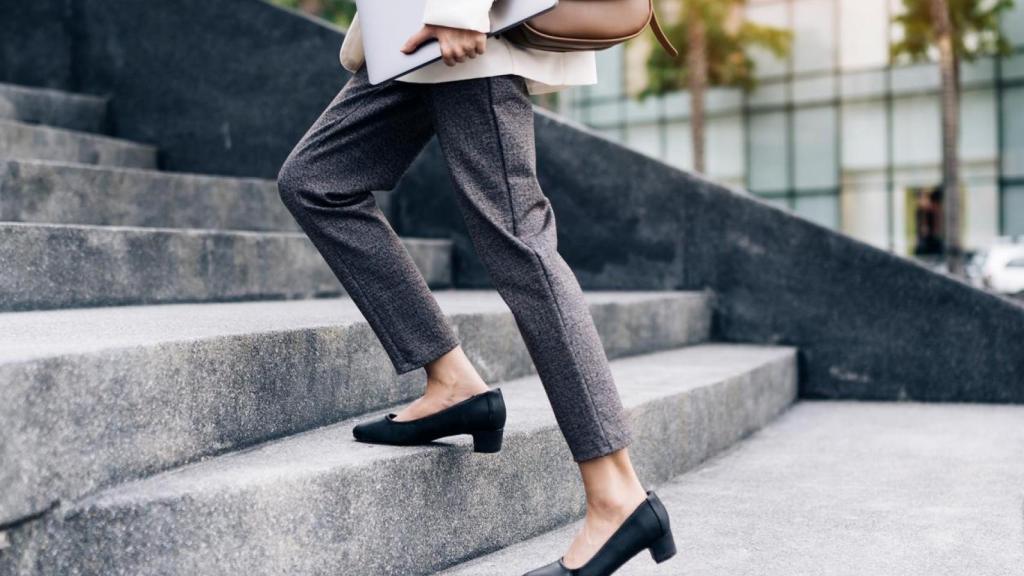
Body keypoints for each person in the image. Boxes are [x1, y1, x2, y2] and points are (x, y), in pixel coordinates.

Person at [276, 2, 676, 574]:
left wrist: (460, 6)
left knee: (521, 247)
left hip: (466, 33)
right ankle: (453, 382)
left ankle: (618, 495)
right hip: (410, 39)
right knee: (318, 181)